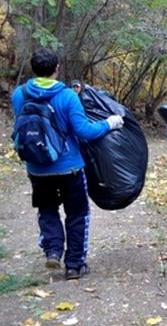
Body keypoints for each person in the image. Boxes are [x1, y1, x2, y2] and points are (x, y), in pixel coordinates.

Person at [11, 48, 124, 280]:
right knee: (78, 213)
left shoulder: (19, 94)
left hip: (37, 168)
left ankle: (52, 250)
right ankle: (74, 265)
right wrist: (110, 124)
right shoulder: (67, 96)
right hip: (70, 167)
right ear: (57, 68)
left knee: (47, 210)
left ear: (33, 69)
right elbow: (84, 131)